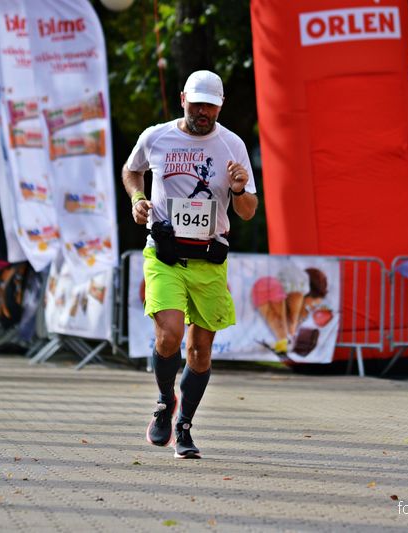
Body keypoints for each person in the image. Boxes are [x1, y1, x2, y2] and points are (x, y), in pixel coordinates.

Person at [122, 70, 258, 459]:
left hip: (209, 258)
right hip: (164, 253)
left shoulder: (232, 145)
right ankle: (165, 401)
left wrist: (238, 189)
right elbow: (132, 170)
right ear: (183, 98)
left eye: (210, 106)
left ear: (220, 105)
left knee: (199, 351)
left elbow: (248, 211)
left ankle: (184, 426)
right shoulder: (156, 136)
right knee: (169, 334)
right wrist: (137, 199)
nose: (203, 112)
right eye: (196, 104)